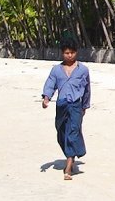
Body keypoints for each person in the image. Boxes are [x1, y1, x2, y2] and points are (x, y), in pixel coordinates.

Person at [42, 37, 91, 180]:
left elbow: (87, 89)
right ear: (62, 53)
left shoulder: (83, 70)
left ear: (76, 53)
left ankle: (68, 167)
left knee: (73, 132)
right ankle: (73, 153)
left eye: (72, 53)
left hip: (76, 105)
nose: (70, 55)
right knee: (61, 132)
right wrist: (46, 98)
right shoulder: (56, 70)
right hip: (61, 105)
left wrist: (85, 105)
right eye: (66, 53)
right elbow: (50, 84)